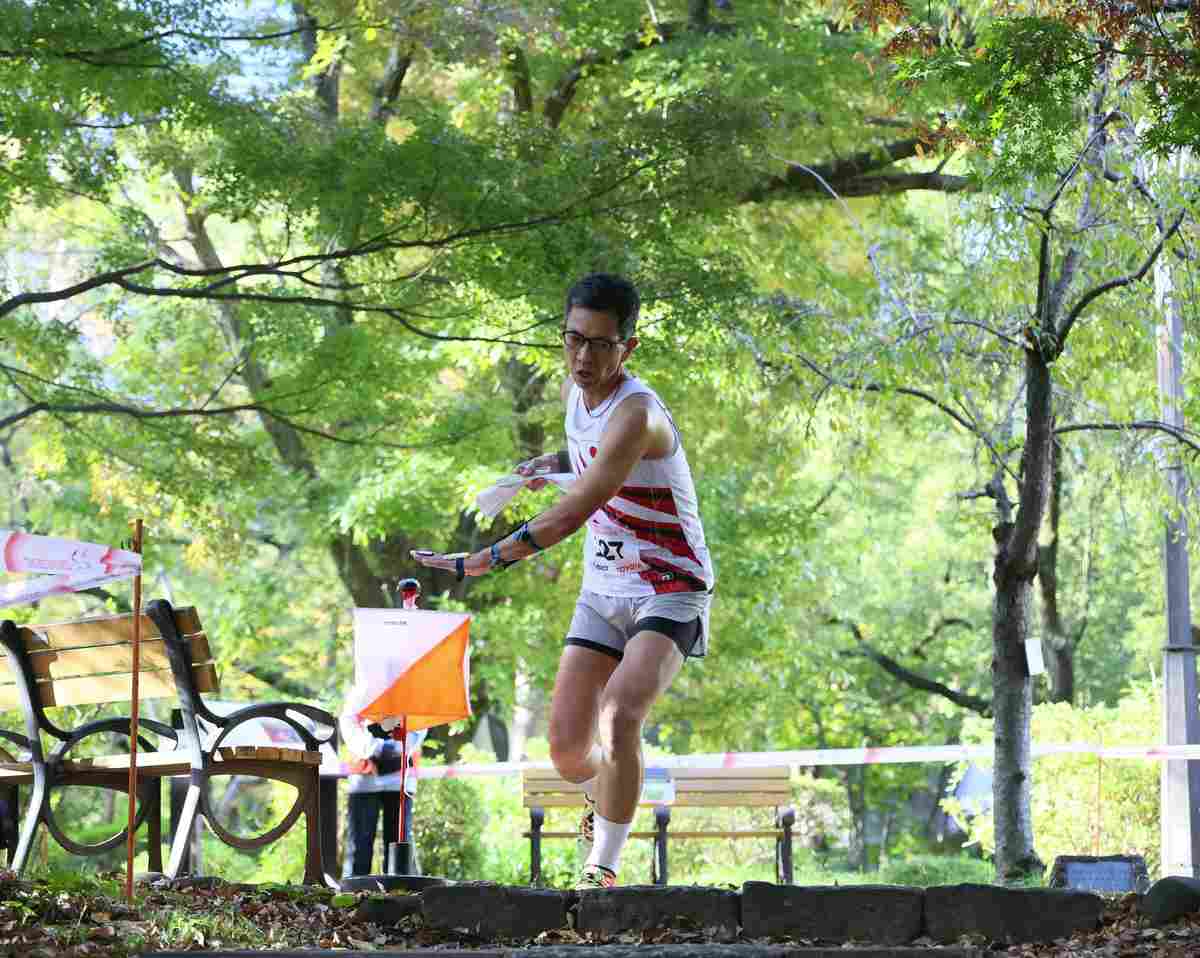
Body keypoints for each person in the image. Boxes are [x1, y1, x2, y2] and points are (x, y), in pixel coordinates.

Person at [413, 273, 715, 889]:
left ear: (627, 348)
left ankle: (601, 868)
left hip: (668, 585)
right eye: (573, 340)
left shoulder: (639, 412)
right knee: (567, 752)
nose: (583, 357)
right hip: (602, 589)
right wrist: (548, 465)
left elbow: (577, 509)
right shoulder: (572, 392)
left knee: (620, 716)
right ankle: (611, 788)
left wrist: (482, 560)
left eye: (601, 345)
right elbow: (588, 462)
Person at [339, 578, 428, 878]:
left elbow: (421, 721)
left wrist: (401, 748)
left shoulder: (414, 686)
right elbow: (349, 719)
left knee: (398, 844)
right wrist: (372, 749)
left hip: (401, 775)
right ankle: (353, 895)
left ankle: (398, 897)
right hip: (365, 772)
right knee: (359, 845)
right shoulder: (364, 685)